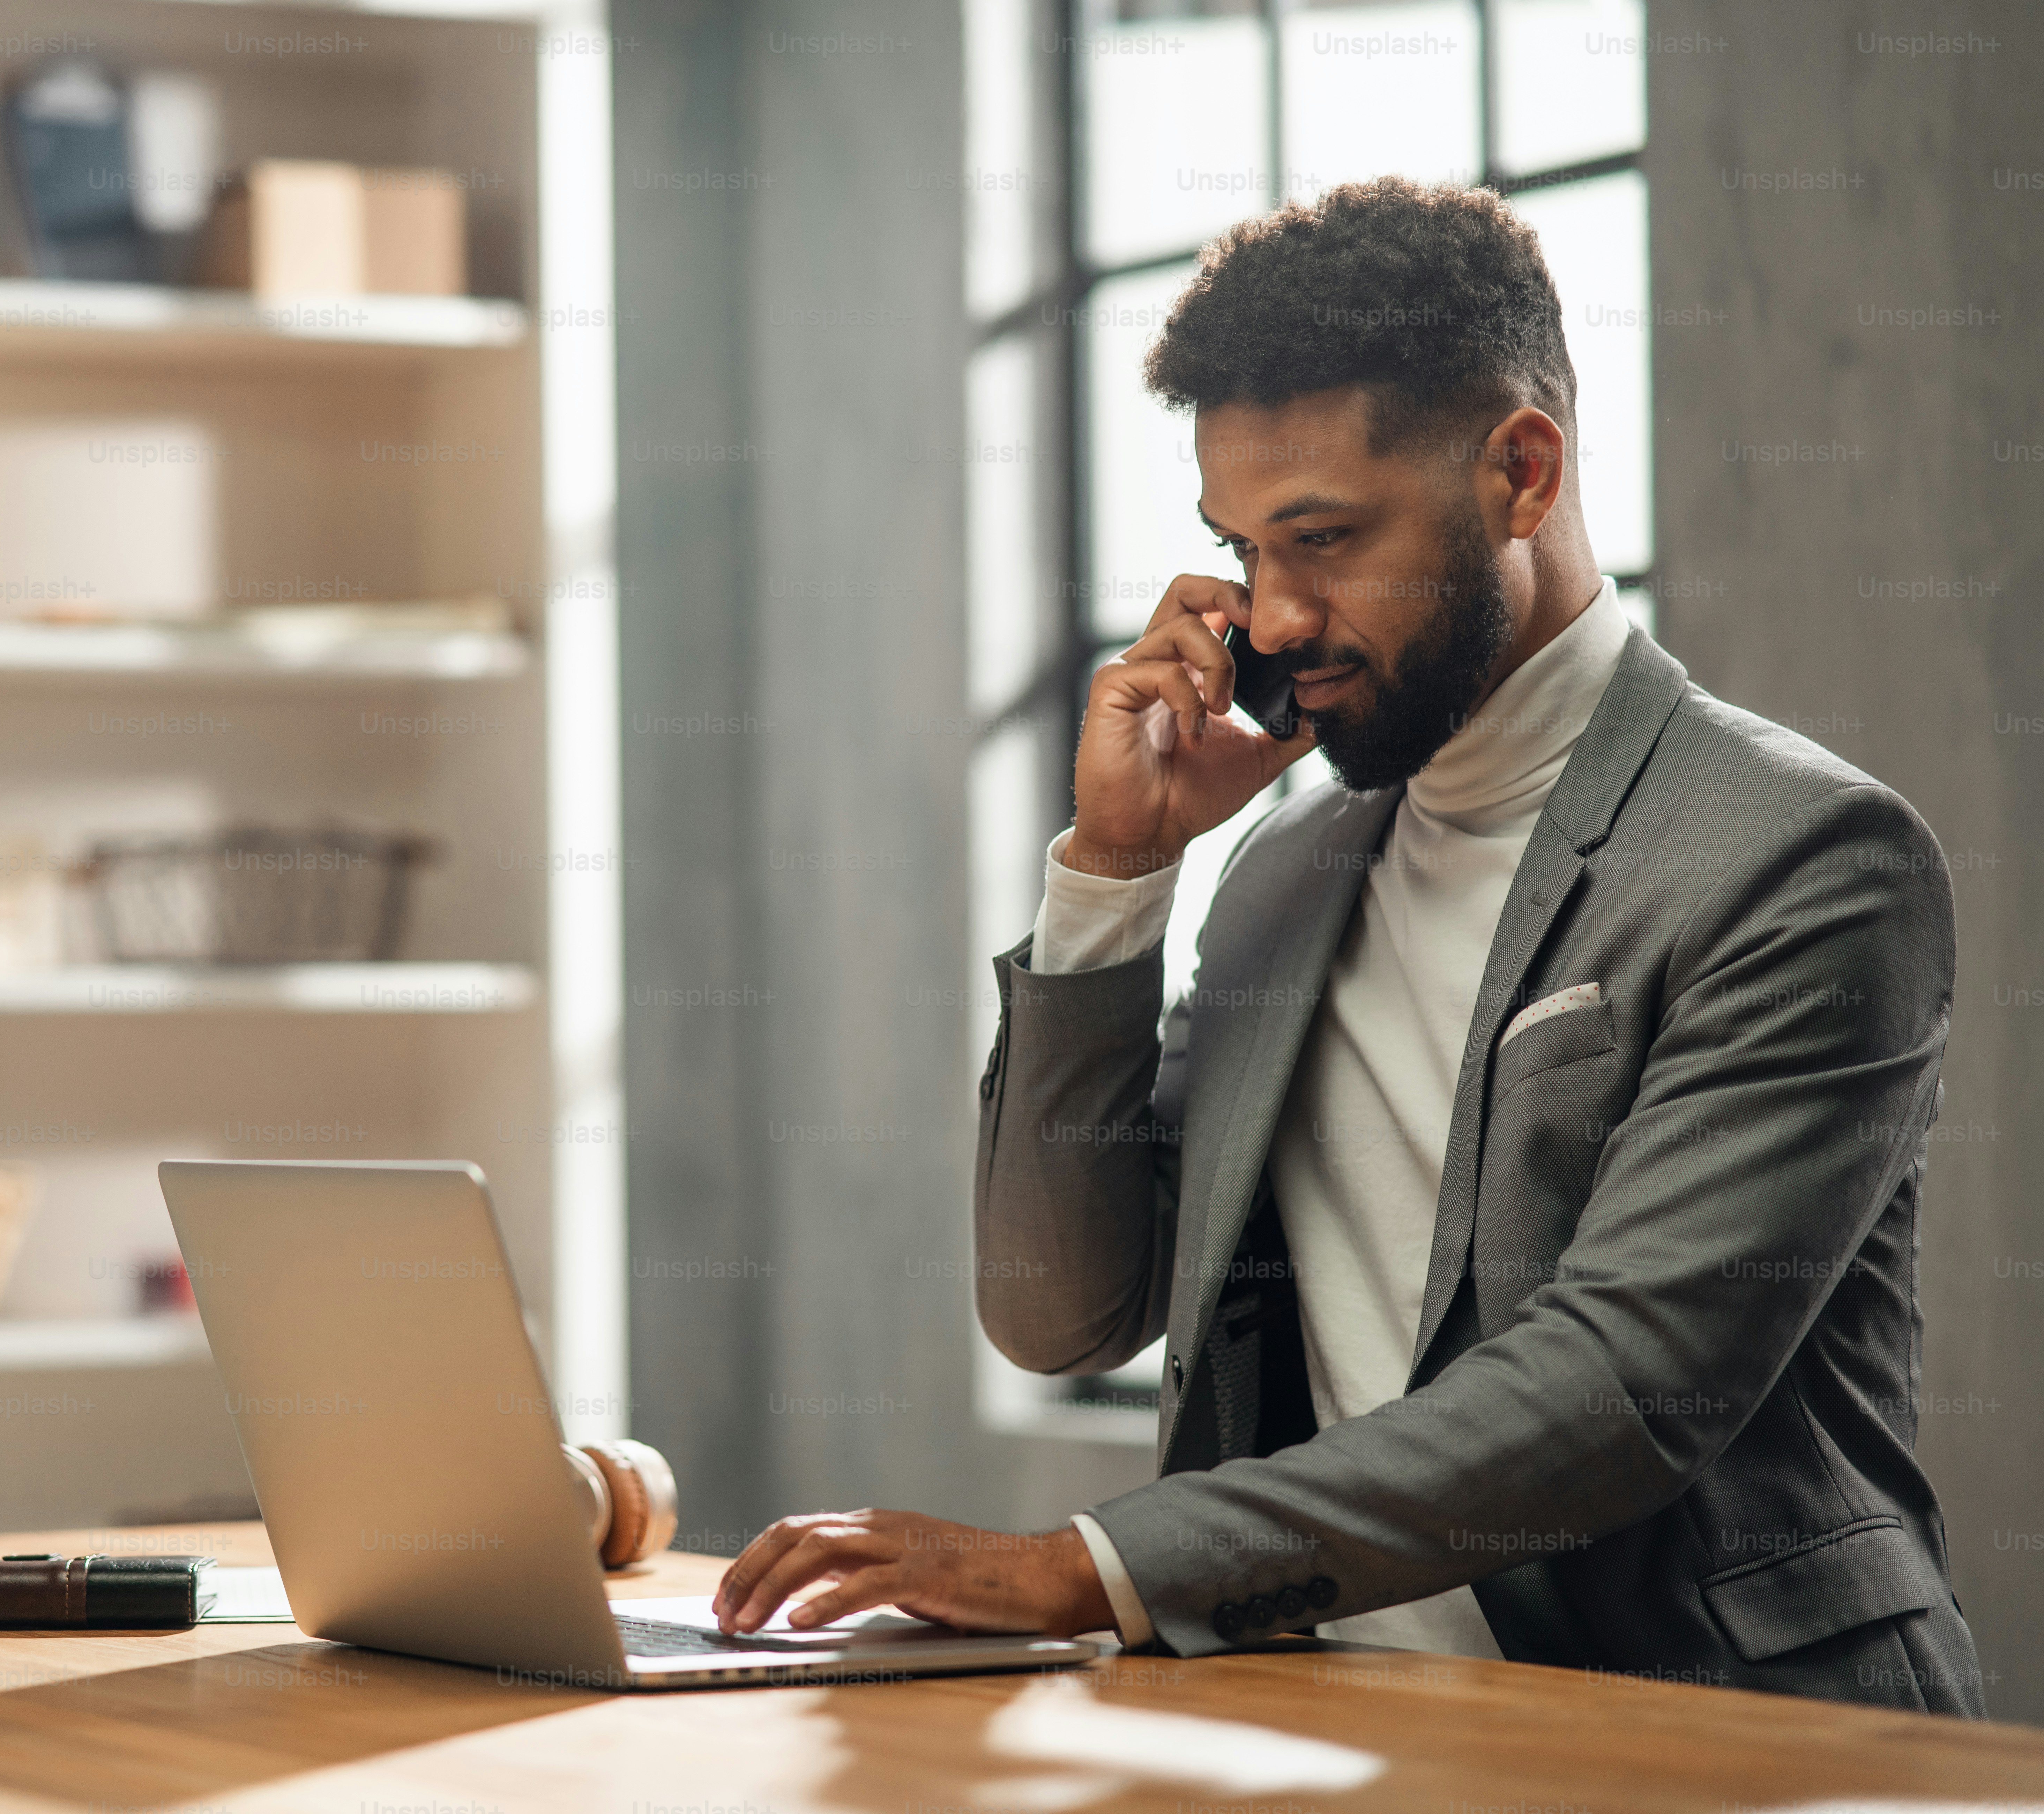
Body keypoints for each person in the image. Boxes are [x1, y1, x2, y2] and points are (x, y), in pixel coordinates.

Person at [711, 176, 1983, 1715]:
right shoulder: (1285, 872)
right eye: (1243, 548)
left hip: (1734, 1731)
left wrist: (1091, 1567)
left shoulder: (1800, 858)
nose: (1276, 616)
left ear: (1521, 471)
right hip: (1360, 1728)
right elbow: (1060, 1306)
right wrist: (1115, 875)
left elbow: (1623, 1388)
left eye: (1324, 538)